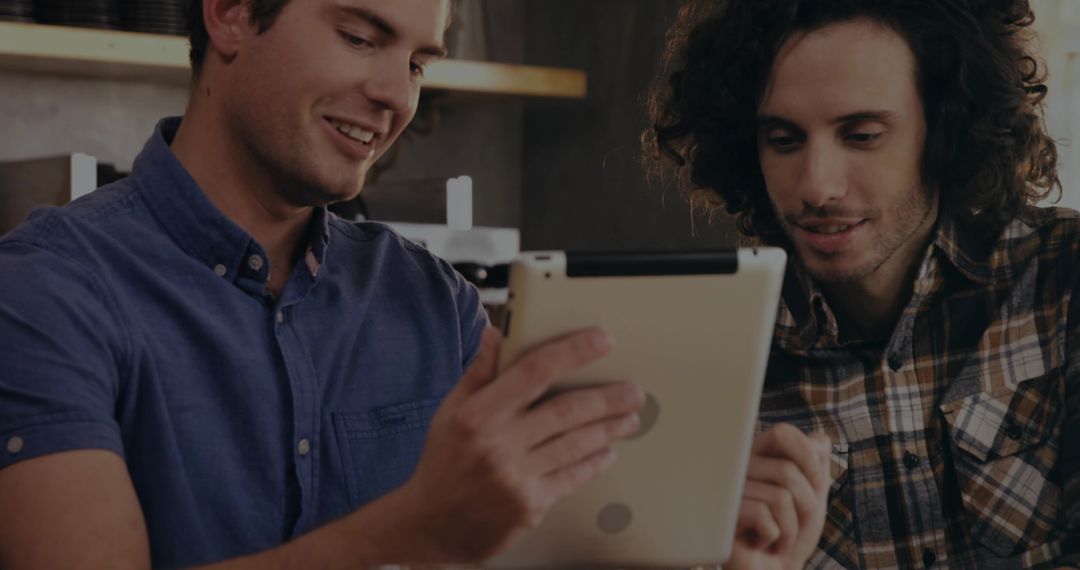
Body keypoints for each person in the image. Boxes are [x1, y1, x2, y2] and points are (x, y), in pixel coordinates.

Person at [0, 0, 830, 568]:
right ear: (230, 13)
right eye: (361, 37)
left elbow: (546, 547)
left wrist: (709, 543)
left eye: (419, 61)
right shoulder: (44, 293)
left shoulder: (433, 301)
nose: (396, 96)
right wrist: (417, 530)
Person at [645, 0, 1079, 567]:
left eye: (862, 135)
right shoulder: (710, 359)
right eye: (784, 140)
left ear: (945, 128)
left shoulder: (1062, 275)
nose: (817, 186)